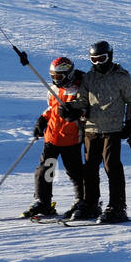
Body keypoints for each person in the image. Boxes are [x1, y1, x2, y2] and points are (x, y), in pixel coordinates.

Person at [73, 40, 131, 224]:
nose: (98, 63)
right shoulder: (88, 78)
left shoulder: (121, 77)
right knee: (90, 168)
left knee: (112, 166)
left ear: (110, 56)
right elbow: (81, 101)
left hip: (113, 129)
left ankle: (117, 206)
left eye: (101, 59)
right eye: (94, 60)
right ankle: (91, 204)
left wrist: (130, 122)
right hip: (91, 129)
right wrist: (71, 108)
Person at [24, 56, 86, 218]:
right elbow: (52, 108)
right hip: (52, 137)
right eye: (53, 77)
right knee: (46, 170)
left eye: (59, 76)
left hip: (71, 138)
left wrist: (77, 114)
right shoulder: (54, 89)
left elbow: (87, 110)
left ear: (68, 74)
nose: (55, 80)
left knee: (74, 172)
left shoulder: (80, 89)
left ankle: (82, 200)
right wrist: (42, 120)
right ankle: (43, 202)